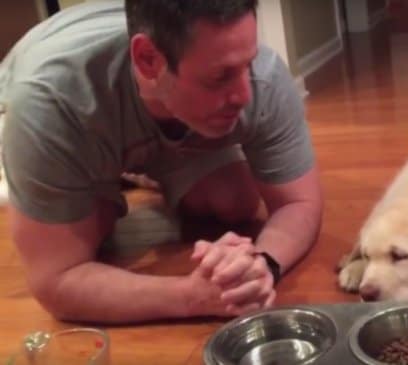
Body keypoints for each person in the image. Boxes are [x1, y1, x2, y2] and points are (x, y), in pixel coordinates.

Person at [0, 0, 323, 324]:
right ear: (148, 60)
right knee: (97, 224)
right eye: (220, 77)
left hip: (147, 104)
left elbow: (299, 202)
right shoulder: (48, 105)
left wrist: (263, 264)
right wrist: (192, 296)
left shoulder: (264, 77)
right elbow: (56, 279)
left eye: (247, 65)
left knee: (235, 200)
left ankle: (141, 164)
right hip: (62, 102)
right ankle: (98, 173)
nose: (245, 95)